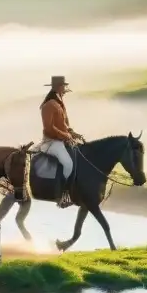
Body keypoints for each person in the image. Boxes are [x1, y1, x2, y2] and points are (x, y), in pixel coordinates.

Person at [38, 76, 84, 208]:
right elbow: (49, 128)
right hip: (51, 142)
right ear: (58, 87)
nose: (65, 89)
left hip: (62, 139)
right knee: (68, 163)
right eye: (64, 86)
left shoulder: (59, 103)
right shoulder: (49, 105)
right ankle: (63, 194)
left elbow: (63, 124)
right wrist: (66, 135)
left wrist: (72, 132)